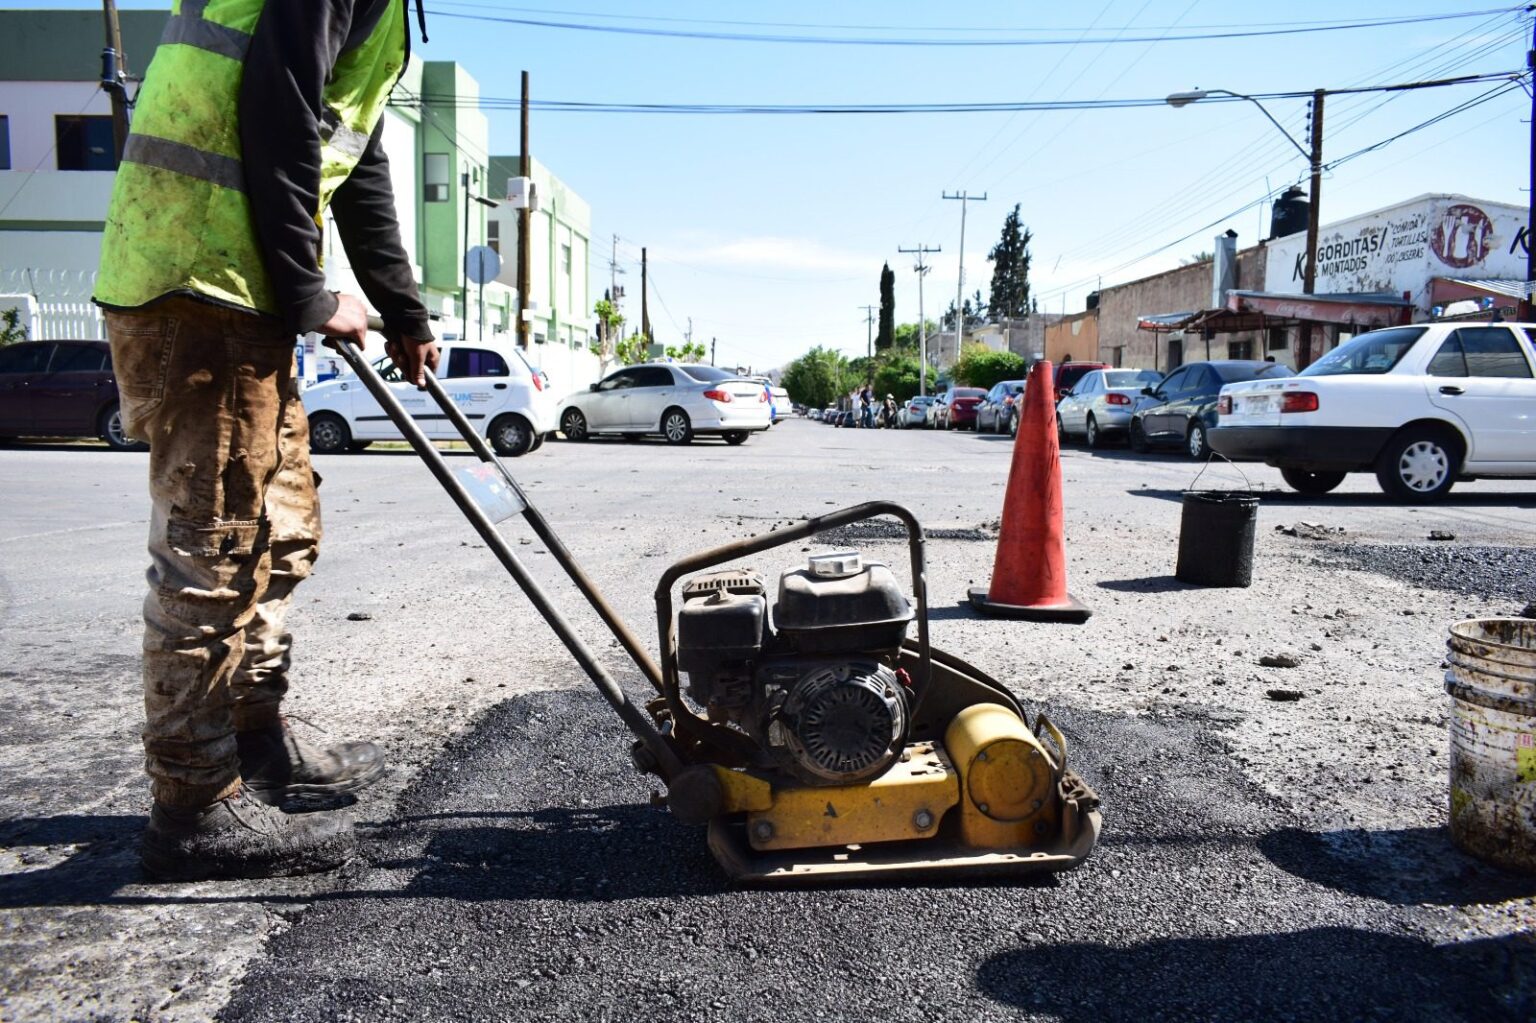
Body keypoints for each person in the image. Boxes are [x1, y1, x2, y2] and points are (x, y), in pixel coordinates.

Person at [94, 0, 437, 881]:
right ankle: (194, 805)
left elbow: (351, 156)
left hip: (240, 288)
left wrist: (402, 308)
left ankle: (255, 740)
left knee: (278, 536)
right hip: (198, 274)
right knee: (214, 552)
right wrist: (310, 292)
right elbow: (277, 102)